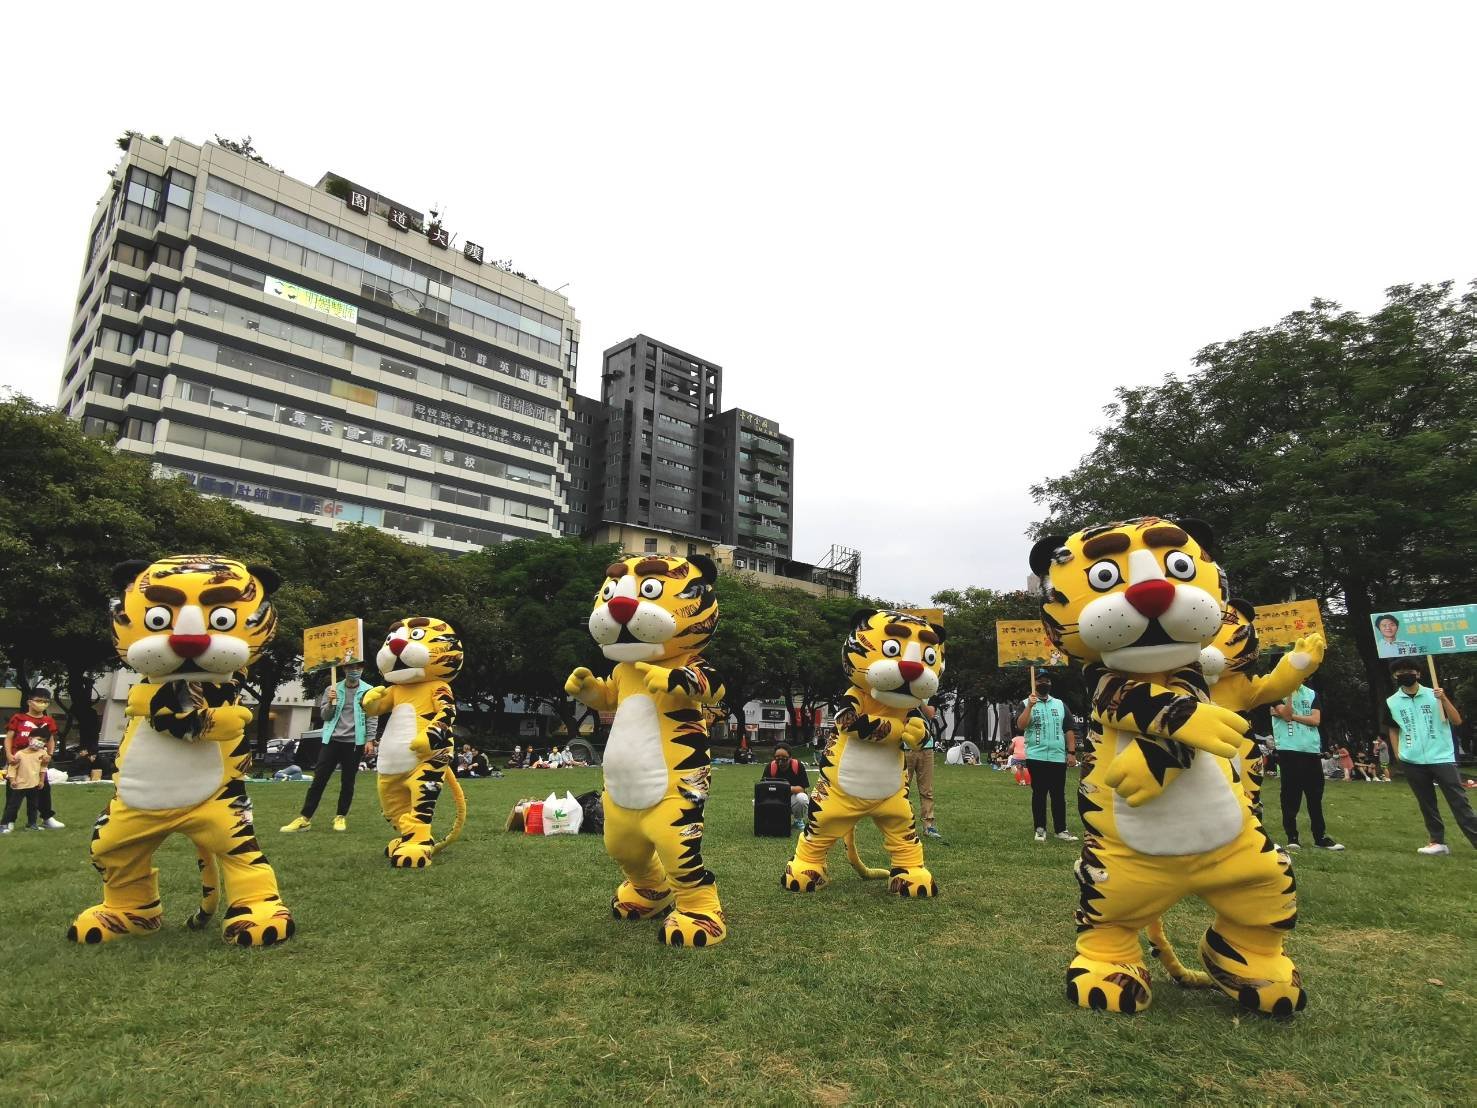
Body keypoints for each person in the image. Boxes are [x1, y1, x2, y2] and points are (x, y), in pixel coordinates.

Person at [1385, 662, 1476, 855]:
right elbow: (1393, 729)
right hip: (1413, 759)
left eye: (1410, 671)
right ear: (1395, 676)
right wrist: (1398, 753)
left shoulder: (1434, 694)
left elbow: (1457, 720)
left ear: (1418, 673)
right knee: (1426, 803)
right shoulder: (1392, 702)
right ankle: (1437, 842)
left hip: (1441, 756)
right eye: (1400, 672)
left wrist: (1443, 699)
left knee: (1459, 801)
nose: (1405, 675)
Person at [281, 662, 379, 833]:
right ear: (344, 669)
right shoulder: (332, 689)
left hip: (354, 742)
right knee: (319, 780)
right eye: (350, 668)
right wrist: (332, 703)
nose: (354, 671)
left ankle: (341, 816)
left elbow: (372, 715)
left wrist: (370, 739)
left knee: (348, 782)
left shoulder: (369, 690)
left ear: (362, 670)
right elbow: (325, 716)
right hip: (331, 740)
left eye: (358, 668)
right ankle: (305, 818)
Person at [1269, 683, 1343, 850]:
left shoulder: (1311, 693)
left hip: (1311, 750)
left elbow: (1315, 720)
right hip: (1288, 750)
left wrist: (1291, 716)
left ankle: (1320, 836)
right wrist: (1288, 696)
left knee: (1315, 796)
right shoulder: (1275, 691)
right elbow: (1287, 715)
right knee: (1290, 795)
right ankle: (1292, 837)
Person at [1014, 675, 1076, 843]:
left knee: (1058, 795)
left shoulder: (1060, 704)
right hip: (1036, 755)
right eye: (1040, 681)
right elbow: (1020, 725)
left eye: (1047, 681)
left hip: (1057, 756)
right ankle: (1040, 828)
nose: (1044, 684)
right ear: (1034, 684)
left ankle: (1061, 829)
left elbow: (1069, 728)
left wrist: (1071, 752)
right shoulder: (1026, 704)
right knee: (1039, 793)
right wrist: (1031, 706)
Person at [2, 689, 65, 830]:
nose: (42, 704)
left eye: (46, 701)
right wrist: (8, 755)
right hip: (18, 762)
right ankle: (8, 821)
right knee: (13, 793)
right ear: (30, 702)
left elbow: (51, 740)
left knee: (43, 790)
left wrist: (49, 754)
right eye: (39, 700)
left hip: (38, 763)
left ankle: (46, 818)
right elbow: (9, 738)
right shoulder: (18, 718)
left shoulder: (48, 721)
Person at [904, 704, 941, 839]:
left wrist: (919, 700)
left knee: (927, 790)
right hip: (906, 747)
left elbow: (930, 714)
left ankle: (928, 826)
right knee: (903, 789)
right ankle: (904, 824)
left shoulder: (924, 693)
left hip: (927, 748)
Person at [1, 734, 49, 831]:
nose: (41, 742)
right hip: (20, 785)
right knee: (13, 806)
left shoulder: (43, 753)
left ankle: (32, 824)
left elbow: (43, 768)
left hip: (34, 785)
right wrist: (13, 780)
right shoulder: (20, 754)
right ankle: (4, 824)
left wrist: (41, 781)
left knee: (33, 806)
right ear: (30, 739)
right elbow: (12, 768)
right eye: (39, 739)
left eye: (43, 741)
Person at [765, 743, 810, 830]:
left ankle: (798, 820)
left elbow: (802, 788)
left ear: (790, 757)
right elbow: (764, 787)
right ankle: (770, 819)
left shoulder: (798, 766)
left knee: (802, 798)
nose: (780, 760)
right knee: (756, 802)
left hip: (793, 798)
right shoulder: (770, 767)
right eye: (777, 757)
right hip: (775, 798)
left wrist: (784, 788)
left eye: (784, 757)